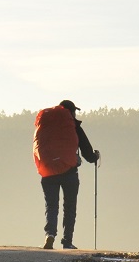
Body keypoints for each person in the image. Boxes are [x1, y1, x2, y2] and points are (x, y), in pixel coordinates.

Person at [33, 100, 100, 250]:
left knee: (51, 206)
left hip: (48, 171)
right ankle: (67, 241)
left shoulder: (45, 124)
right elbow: (87, 152)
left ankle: (50, 234)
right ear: (71, 112)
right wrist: (95, 157)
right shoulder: (73, 125)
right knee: (69, 206)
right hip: (69, 172)